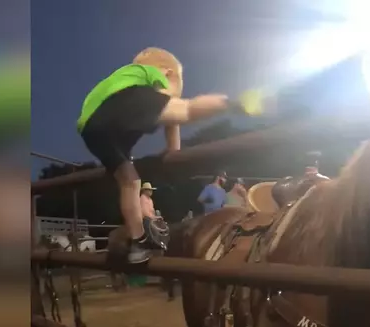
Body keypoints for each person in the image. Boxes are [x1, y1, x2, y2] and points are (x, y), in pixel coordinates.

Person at [77, 47, 262, 263]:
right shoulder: (151, 76)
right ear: (167, 73)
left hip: (90, 127)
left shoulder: (118, 78)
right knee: (187, 109)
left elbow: (116, 114)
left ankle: (138, 244)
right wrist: (173, 150)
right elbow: (173, 116)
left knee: (129, 182)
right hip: (122, 103)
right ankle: (232, 104)